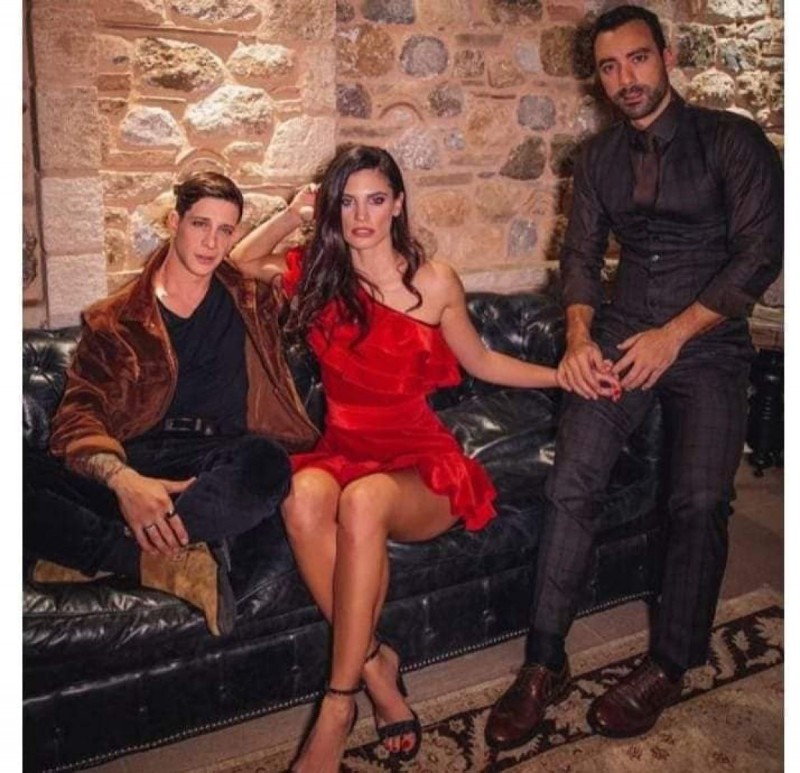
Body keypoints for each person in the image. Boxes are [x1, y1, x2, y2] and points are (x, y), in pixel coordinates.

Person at [230, 144, 619, 771]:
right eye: (346, 202)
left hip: (419, 460)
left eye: (375, 200)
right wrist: (294, 212)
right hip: (342, 448)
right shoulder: (319, 276)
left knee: (363, 502)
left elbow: (482, 361)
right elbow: (241, 260)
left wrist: (562, 376)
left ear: (398, 205)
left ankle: (338, 704)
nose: (361, 216)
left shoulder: (433, 281)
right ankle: (376, 667)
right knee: (300, 499)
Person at [484, 4, 783, 749]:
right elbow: (581, 258)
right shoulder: (597, 159)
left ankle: (670, 663)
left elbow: (760, 254)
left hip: (707, 342)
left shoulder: (732, 141)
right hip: (620, 336)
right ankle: (544, 662)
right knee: (571, 481)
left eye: (638, 59)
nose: (626, 79)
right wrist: (579, 339)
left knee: (699, 499)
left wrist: (674, 335)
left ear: (667, 56)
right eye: (610, 67)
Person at [24, 171, 318, 636]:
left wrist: (292, 216)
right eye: (200, 224)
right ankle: (159, 557)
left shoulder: (250, 298)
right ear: (174, 221)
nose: (211, 242)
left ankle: (103, 552)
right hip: (136, 460)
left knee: (267, 464)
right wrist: (125, 482)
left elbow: (307, 269)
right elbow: (79, 413)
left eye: (225, 230)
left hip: (214, 467)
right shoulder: (114, 320)